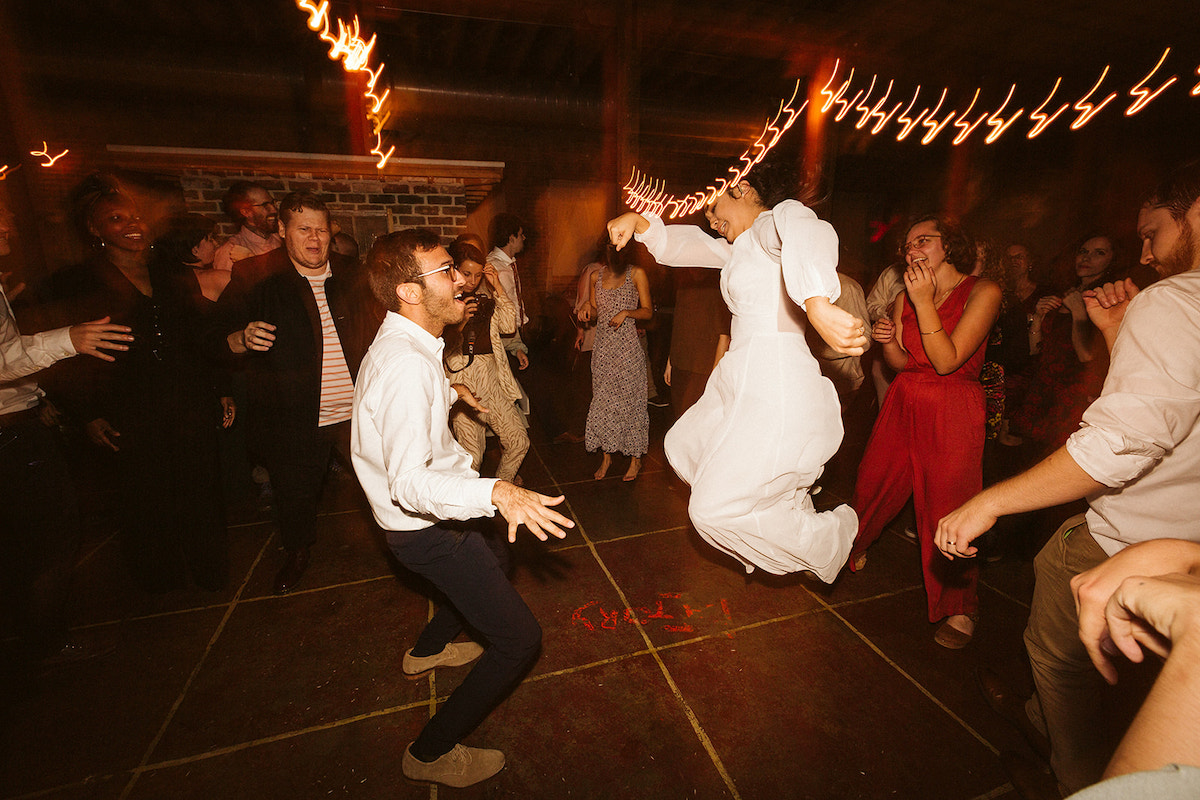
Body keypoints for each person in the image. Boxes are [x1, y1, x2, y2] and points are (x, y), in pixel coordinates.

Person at [936, 161, 1200, 795]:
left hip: (1131, 538)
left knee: (1060, 654)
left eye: (1152, 231)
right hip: (1185, 541)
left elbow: (1125, 439)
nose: (1145, 250)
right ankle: (1037, 718)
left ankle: (1073, 776)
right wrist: (1113, 335)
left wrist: (987, 503)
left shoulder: (1174, 300)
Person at [351, 228, 573, 788]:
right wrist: (497, 491)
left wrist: (454, 394)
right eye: (447, 271)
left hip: (435, 520)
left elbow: (412, 402)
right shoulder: (406, 366)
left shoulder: (410, 345)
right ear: (408, 291)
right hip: (425, 528)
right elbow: (408, 482)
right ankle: (428, 753)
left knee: (496, 560)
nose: (461, 281)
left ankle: (425, 652)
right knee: (520, 640)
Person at [606, 154, 869, 580]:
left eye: (714, 207)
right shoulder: (741, 248)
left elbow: (804, 228)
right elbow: (686, 245)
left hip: (775, 377)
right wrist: (638, 221)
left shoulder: (771, 226)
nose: (710, 219)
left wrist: (817, 301)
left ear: (743, 189)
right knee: (682, 447)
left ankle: (827, 536)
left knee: (711, 510)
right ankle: (785, 503)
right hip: (743, 375)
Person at [35, 177, 230, 593]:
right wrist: (87, 414)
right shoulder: (75, 282)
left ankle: (210, 570)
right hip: (128, 408)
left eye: (136, 215)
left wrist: (221, 386)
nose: (132, 224)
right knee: (145, 498)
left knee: (200, 489)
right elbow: (62, 359)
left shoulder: (170, 272)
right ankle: (162, 582)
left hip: (187, 399)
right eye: (116, 218)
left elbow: (199, 335)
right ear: (94, 228)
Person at [848, 215, 1002, 648]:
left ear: (950, 245)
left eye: (924, 240)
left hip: (953, 404)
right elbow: (901, 363)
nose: (912, 249)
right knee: (873, 479)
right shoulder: (903, 296)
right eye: (908, 243)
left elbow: (948, 360)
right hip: (906, 396)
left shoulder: (983, 291)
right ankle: (849, 547)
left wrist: (925, 302)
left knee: (948, 505)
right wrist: (888, 342)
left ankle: (960, 606)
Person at [212, 191, 375, 594]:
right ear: (282, 229)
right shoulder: (253, 274)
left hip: (357, 410)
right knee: (295, 492)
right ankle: (297, 552)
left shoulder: (351, 272)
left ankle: (399, 545)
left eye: (322, 229)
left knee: (381, 479)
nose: (315, 238)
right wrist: (238, 337)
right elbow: (214, 337)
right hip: (295, 414)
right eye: (304, 229)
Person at [1, 198, 131, 661]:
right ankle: (45, 645)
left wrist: (43, 401)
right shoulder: (79, 278)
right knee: (51, 539)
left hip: (22, 420)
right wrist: (67, 340)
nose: (10, 218)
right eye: (1, 210)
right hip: (9, 433)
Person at [444, 240, 528, 483]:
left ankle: (502, 488)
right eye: (466, 273)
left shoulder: (485, 298)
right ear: (454, 270)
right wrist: (460, 322)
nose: (471, 280)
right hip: (462, 381)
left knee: (519, 441)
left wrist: (497, 287)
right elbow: (437, 345)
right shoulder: (444, 301)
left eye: (478, 275)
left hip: (492, 378)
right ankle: (470, 509)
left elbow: (508, 326)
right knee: (473, 458)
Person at [578, 240, 653, 481]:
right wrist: (588, 310)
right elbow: (597, 310)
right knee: (603, 402)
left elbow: (648, 310)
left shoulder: (636, 274)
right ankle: (607, 457)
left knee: (632, 401)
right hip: (603, 349)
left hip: (628, 349)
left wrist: (627, 313)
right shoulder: (595, 276)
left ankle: (635, 460)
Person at [663, 268, 730, 419]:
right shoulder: (683, 286)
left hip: (702, 368)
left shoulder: (715, 288)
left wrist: (714, 375)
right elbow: (679, 326)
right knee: (679, 417)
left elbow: (724, 336)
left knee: (693, 419)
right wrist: (670, 361)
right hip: (680, 363)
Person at [212, 181, 281, 272]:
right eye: (265, 205)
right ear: (246, 212)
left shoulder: (282, 240)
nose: (273, 210)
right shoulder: (230, 251)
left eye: (272, 203)